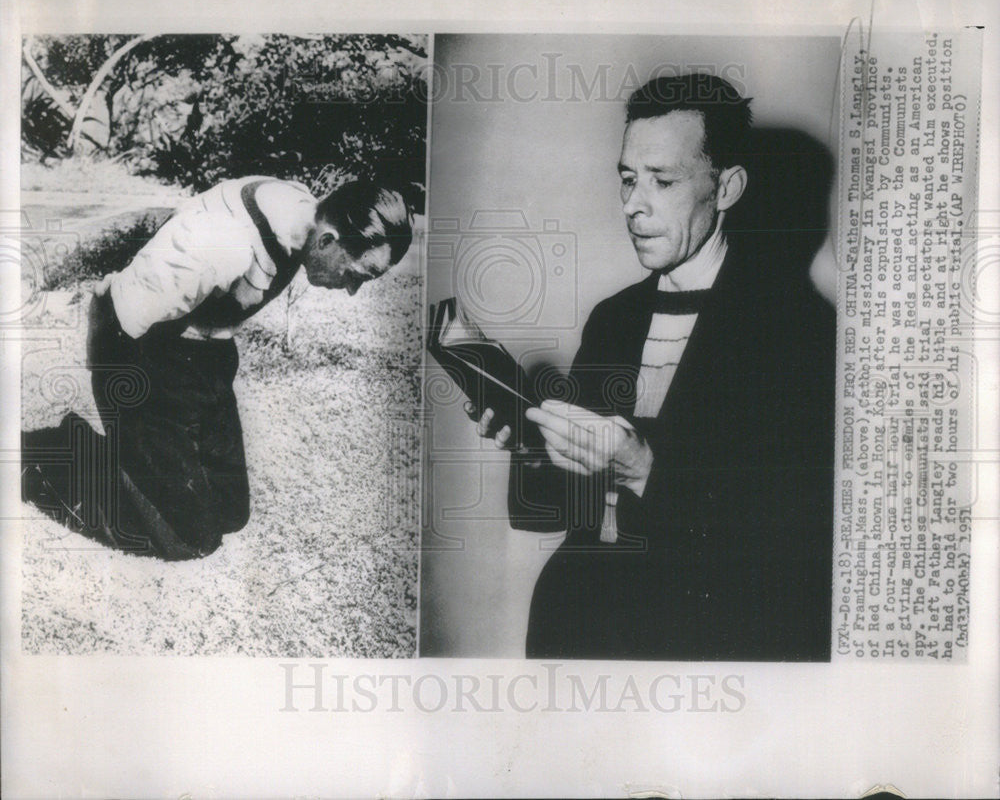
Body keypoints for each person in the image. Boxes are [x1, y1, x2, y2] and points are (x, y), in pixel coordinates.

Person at [470, 73, 835, 660]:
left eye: (662, 181)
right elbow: (551, 515)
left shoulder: (800, 330)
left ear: (727, 187)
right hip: (579, 629)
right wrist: (527, 440)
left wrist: (643, 469)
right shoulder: (612, 318)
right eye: (627, 179)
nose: (633, 205)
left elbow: (794, 540)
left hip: (707, 643)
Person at [22, 175, 413, 560]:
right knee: (190, 537)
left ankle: (141, 468)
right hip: (140, 358)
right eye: (356, 275)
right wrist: (137, 422)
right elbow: (117, 329)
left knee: (229, 513)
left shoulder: (303, 211)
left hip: (208, 360)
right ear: (327, 240)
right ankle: (50, 453)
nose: (350, 289)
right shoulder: (218, 244)